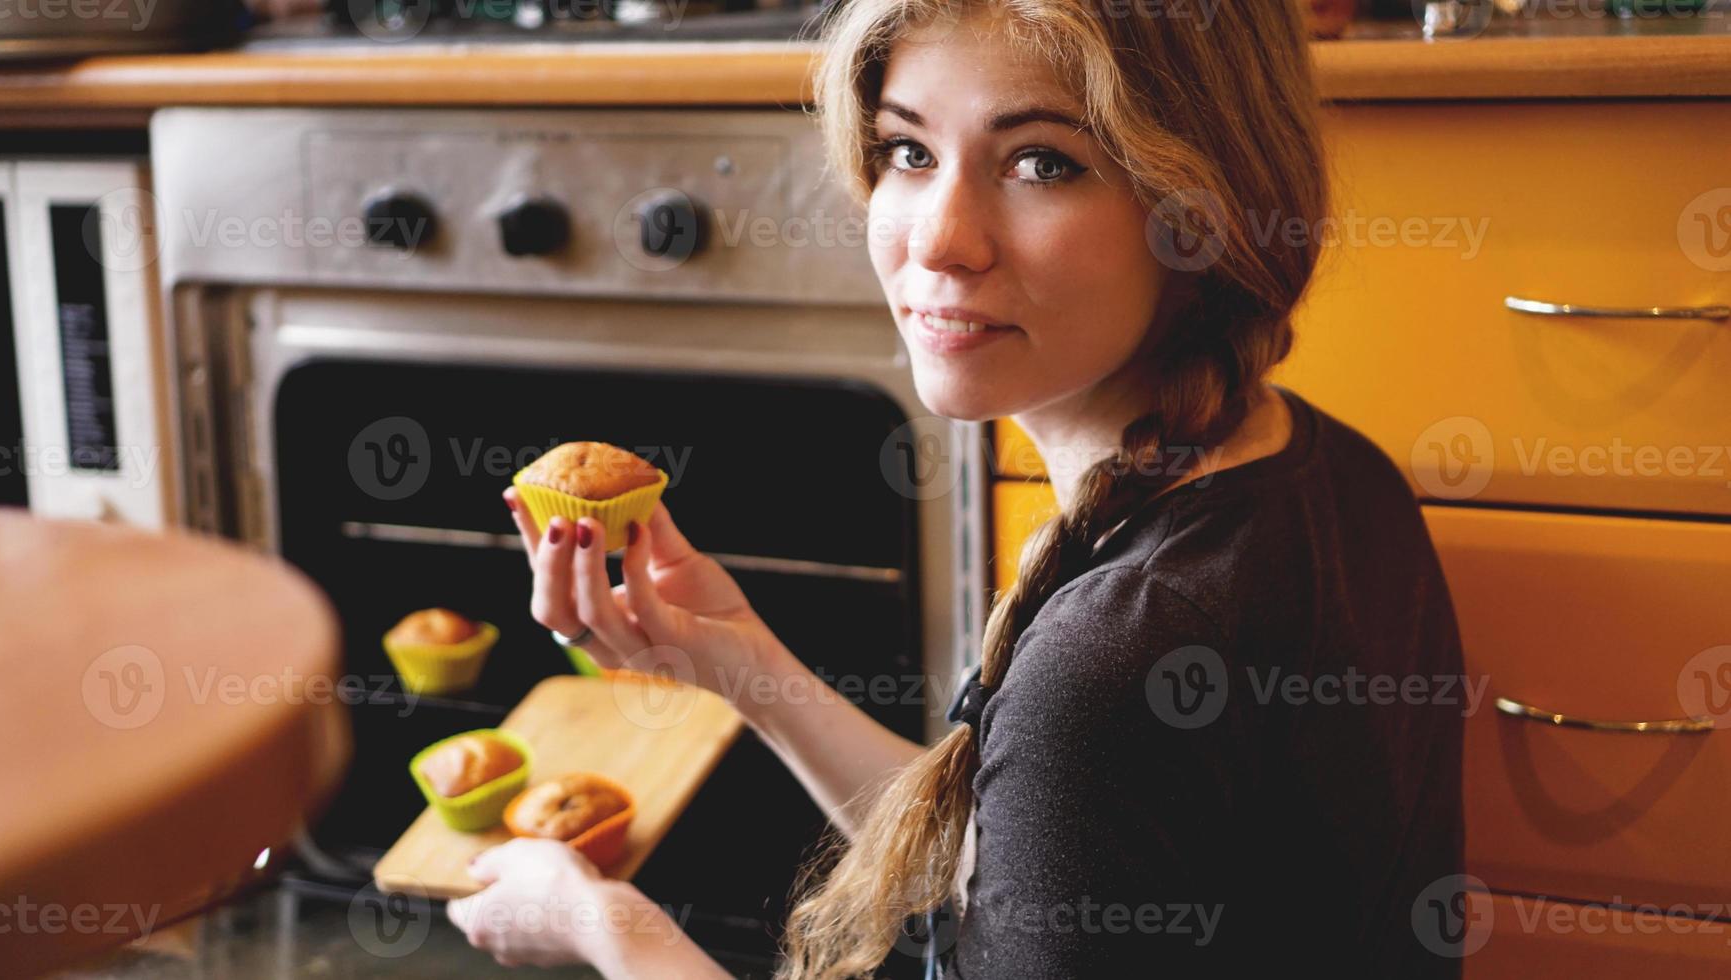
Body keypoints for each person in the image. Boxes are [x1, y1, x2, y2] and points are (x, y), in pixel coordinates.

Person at [446, 0, 1467, 976]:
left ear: (1200, 209)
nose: (937, 239)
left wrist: (609, 924)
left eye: (1040, 162)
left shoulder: (1121, 652)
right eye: (907, 151)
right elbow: (1034, 865)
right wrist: (736, 661)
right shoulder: (1331, 473)